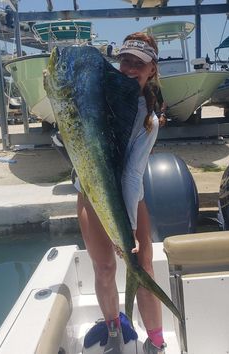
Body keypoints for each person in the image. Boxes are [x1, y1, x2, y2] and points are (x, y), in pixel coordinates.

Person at [77, 32, 166, 354]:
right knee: (104, 268)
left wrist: (125, 231)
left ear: (152, 69)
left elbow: (130, 174)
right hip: (91, 193)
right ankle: (114, 329)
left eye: (137, 64)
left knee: (141, 266)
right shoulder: (97, 100)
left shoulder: (149, 120)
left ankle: (156, 341)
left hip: (129, 198)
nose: (129, 69)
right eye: (124, 61)